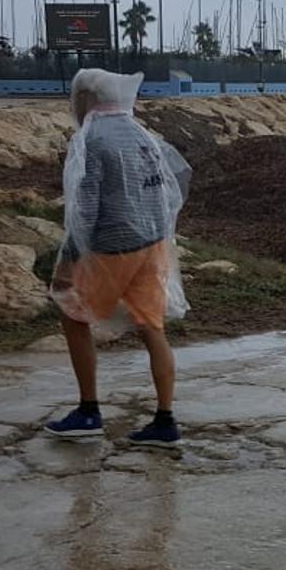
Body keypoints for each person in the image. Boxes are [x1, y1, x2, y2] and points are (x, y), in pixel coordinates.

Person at [45, 68, 192, 446]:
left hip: (112, 245)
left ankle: (89, 411)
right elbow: (166, 193)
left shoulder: (91, 138)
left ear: (85, 99)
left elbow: (86, 207)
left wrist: (72, 257)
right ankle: (164, 419)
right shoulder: (141, 133)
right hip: (152, 243)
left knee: (71, 312)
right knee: (152, 327)